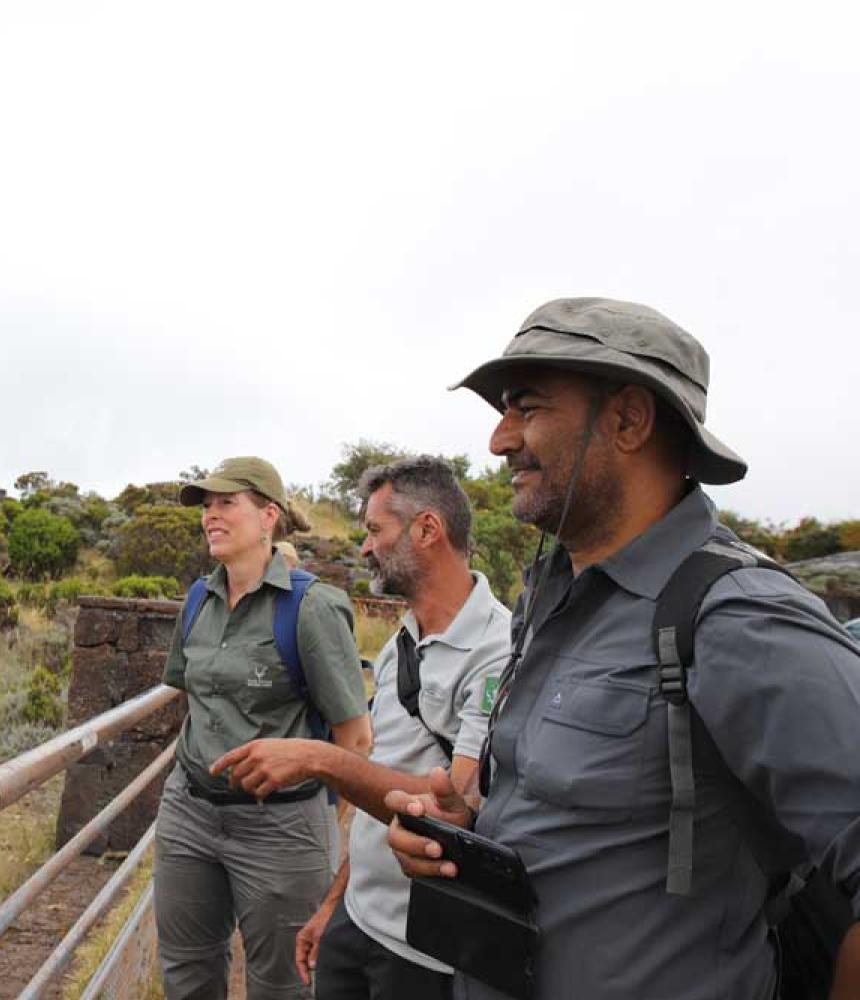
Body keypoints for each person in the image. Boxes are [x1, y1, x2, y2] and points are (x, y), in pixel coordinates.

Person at [384, 297, 860, 998]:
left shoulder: (742, 619)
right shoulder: (550, 596)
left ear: (629, 419)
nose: (499, 440)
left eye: (528, 407)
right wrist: (472, 828)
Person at [212, 456, 510, 1000]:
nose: (366, 547)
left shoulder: (498, 652)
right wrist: (335, 903)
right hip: (360, 919)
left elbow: (455, 808)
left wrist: (319, 758)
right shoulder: (402, 640)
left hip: (425, 949)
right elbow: (382, 780)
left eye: (375, 530)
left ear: (427, 529)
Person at [156, 456, 371, 1000]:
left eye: (227, 503)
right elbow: (194, 696)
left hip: (280, 826)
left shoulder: (312, 608)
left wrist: (324, 826)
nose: (211, 516)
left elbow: (355, 739)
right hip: (189, 811)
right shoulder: (198, 599)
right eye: (207, 506)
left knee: (283, 985)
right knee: (186, 972)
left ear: (268, 516)